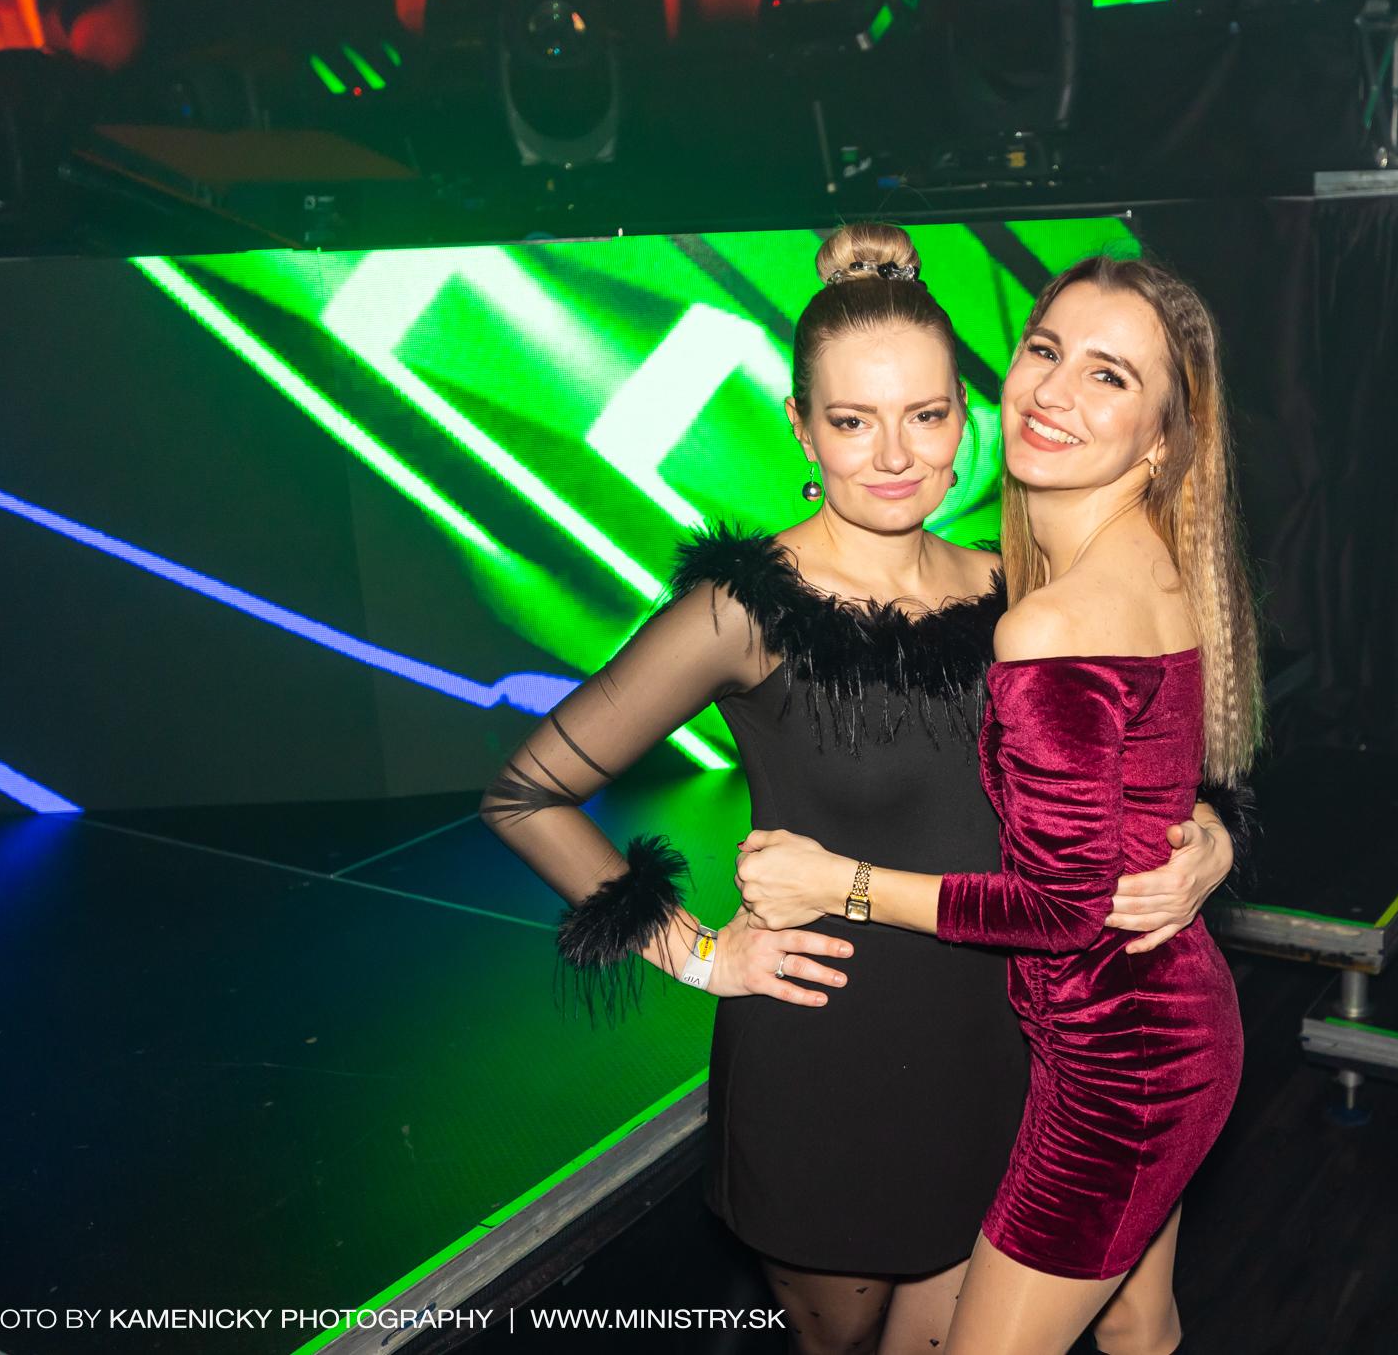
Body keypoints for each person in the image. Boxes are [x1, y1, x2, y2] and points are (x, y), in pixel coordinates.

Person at [480, 223, 1244, 1355]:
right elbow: (523, 794)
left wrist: (1208, 836)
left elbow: (1129, 763)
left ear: (965, 420)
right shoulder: (745, 610)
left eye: (924, 416)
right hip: (823, 1067)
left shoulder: (1016, 592)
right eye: (851, 421)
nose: (892, 456)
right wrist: (699, 954)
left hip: (1004, 1064)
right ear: (801, 427)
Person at [737, 253, 1262, 1355]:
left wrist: (838, 883)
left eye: (1109, 376)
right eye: (1044, 349)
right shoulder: (1133, 569)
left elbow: (1061, 910)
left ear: (1162, 439)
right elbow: (1161, 779)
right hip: (1159, 1028)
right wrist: (1212, 834)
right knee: (1137, 1329)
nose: (1054, 391)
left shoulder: (1052, 622)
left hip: (1120, 1064)